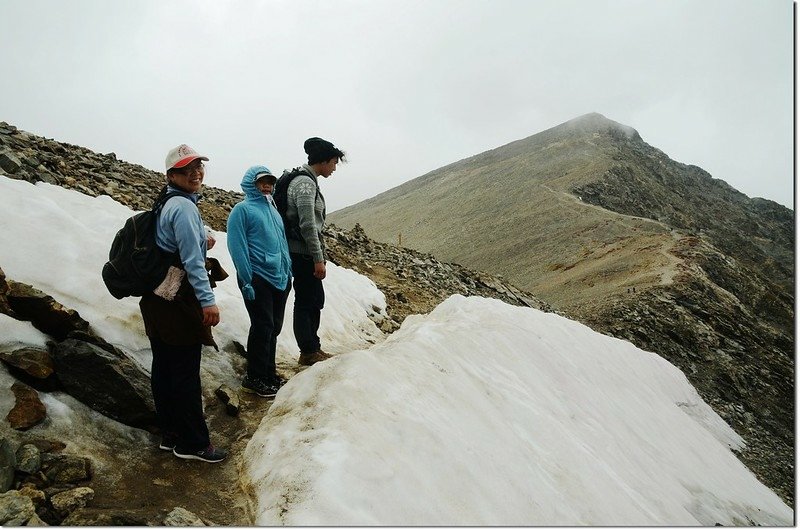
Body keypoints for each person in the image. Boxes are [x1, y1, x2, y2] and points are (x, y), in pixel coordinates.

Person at [139, 144, 228, 464]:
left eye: (199, 166)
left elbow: (172, 242)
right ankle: (193, 443)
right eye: (187, 169)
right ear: (171, 174)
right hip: (177, 300)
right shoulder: (185, 208)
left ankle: (171, 433)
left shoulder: (166, 201)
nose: (196, 172)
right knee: (185, 373)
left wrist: (200, 234)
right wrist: (209, 302)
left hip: (156, 299)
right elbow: (193, 262)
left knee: (164, 367)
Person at [227, 166, 292, 398]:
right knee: (262, 326)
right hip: (257, 278)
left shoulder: (273, 209)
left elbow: (282, 242)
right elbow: (237, 247)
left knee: (273, 327)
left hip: (280, 278)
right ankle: (254, 378)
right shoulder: (241, 210)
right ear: (250, 183)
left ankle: (269, 373)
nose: (267, 186)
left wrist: (288, 271)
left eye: (270, 182)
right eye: (261, 181)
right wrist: (246, 280)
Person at [284, 137, 345, 366]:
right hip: (302, 253)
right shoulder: (305, 184)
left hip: (302, 252)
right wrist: (318, 258)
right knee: (308, 300)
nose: (335, 168)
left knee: (312, 299)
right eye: (334, 163)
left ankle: (312, 348)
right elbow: (308, 224)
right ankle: (308, 350)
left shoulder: (306, 180)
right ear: (326, 161)